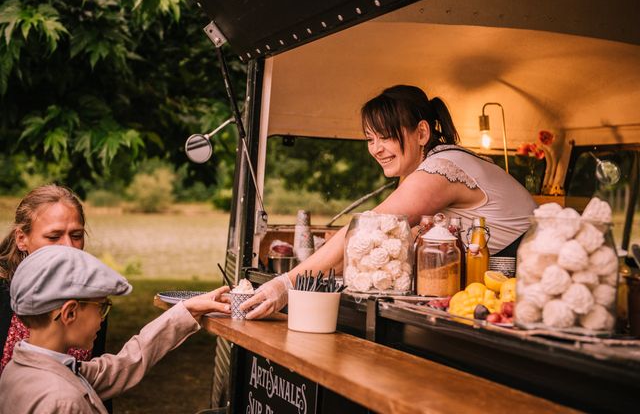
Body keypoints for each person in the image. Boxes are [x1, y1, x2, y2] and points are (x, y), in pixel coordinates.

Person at [242, 84, 537, 319]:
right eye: (370, 139)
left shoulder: (440, 169)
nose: (376, 149)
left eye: (384, 137)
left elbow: (369, 230)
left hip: (525, 293)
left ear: (421, 133)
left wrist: (285, 284)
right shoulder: (432, 165)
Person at [0, 245, 230, 413]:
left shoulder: (19, 367)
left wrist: (185, 310)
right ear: (70, 312)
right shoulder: (63, 402)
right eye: (102, 306)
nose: (102, 317)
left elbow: (121, 366)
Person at [0, 184, 109, 376]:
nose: (68, 247)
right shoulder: (3, 293)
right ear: (21, 238)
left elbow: (96, 385)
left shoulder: (93, 299)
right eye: (53, 236)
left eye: (76, 236)